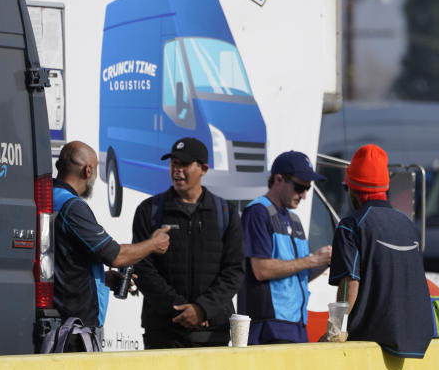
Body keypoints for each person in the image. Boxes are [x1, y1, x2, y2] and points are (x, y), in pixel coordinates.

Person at [52, 141, 170, 347]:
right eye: (96, 171)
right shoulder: (72, 206)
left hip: (59, 319)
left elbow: (63, 262)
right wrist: (153, 244)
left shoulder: (50, 198)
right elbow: (115, 256)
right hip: (74, 327)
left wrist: (101, 279)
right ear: (88, 170)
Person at [131, 137, 244, 349]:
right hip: (164, 332)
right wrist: (179, 310)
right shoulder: (149, 210)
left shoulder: (225, 213)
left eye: (184, 164)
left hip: (212, 332)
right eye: (173, 163)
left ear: (203, 168)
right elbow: (142, 267)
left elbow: (234, 270)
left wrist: (202, 309)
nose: (177, 170)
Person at [327, 144, 433, 358]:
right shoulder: (408, 224)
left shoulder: (351, 225)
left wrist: (335, 331)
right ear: (385, 188)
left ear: (353, 189)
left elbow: (350, 283)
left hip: (371, 343)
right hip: (417, 344)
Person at [238, 151, 332, 344]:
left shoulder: (294, 220)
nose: (304, 195)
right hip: (269, 324)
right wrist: (313, 259)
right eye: (300, 187)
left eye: (308, 188)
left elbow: (299, 272)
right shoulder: (257, 212)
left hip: (296, 323)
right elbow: (261, 269)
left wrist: (326, 261)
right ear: (279, 179)